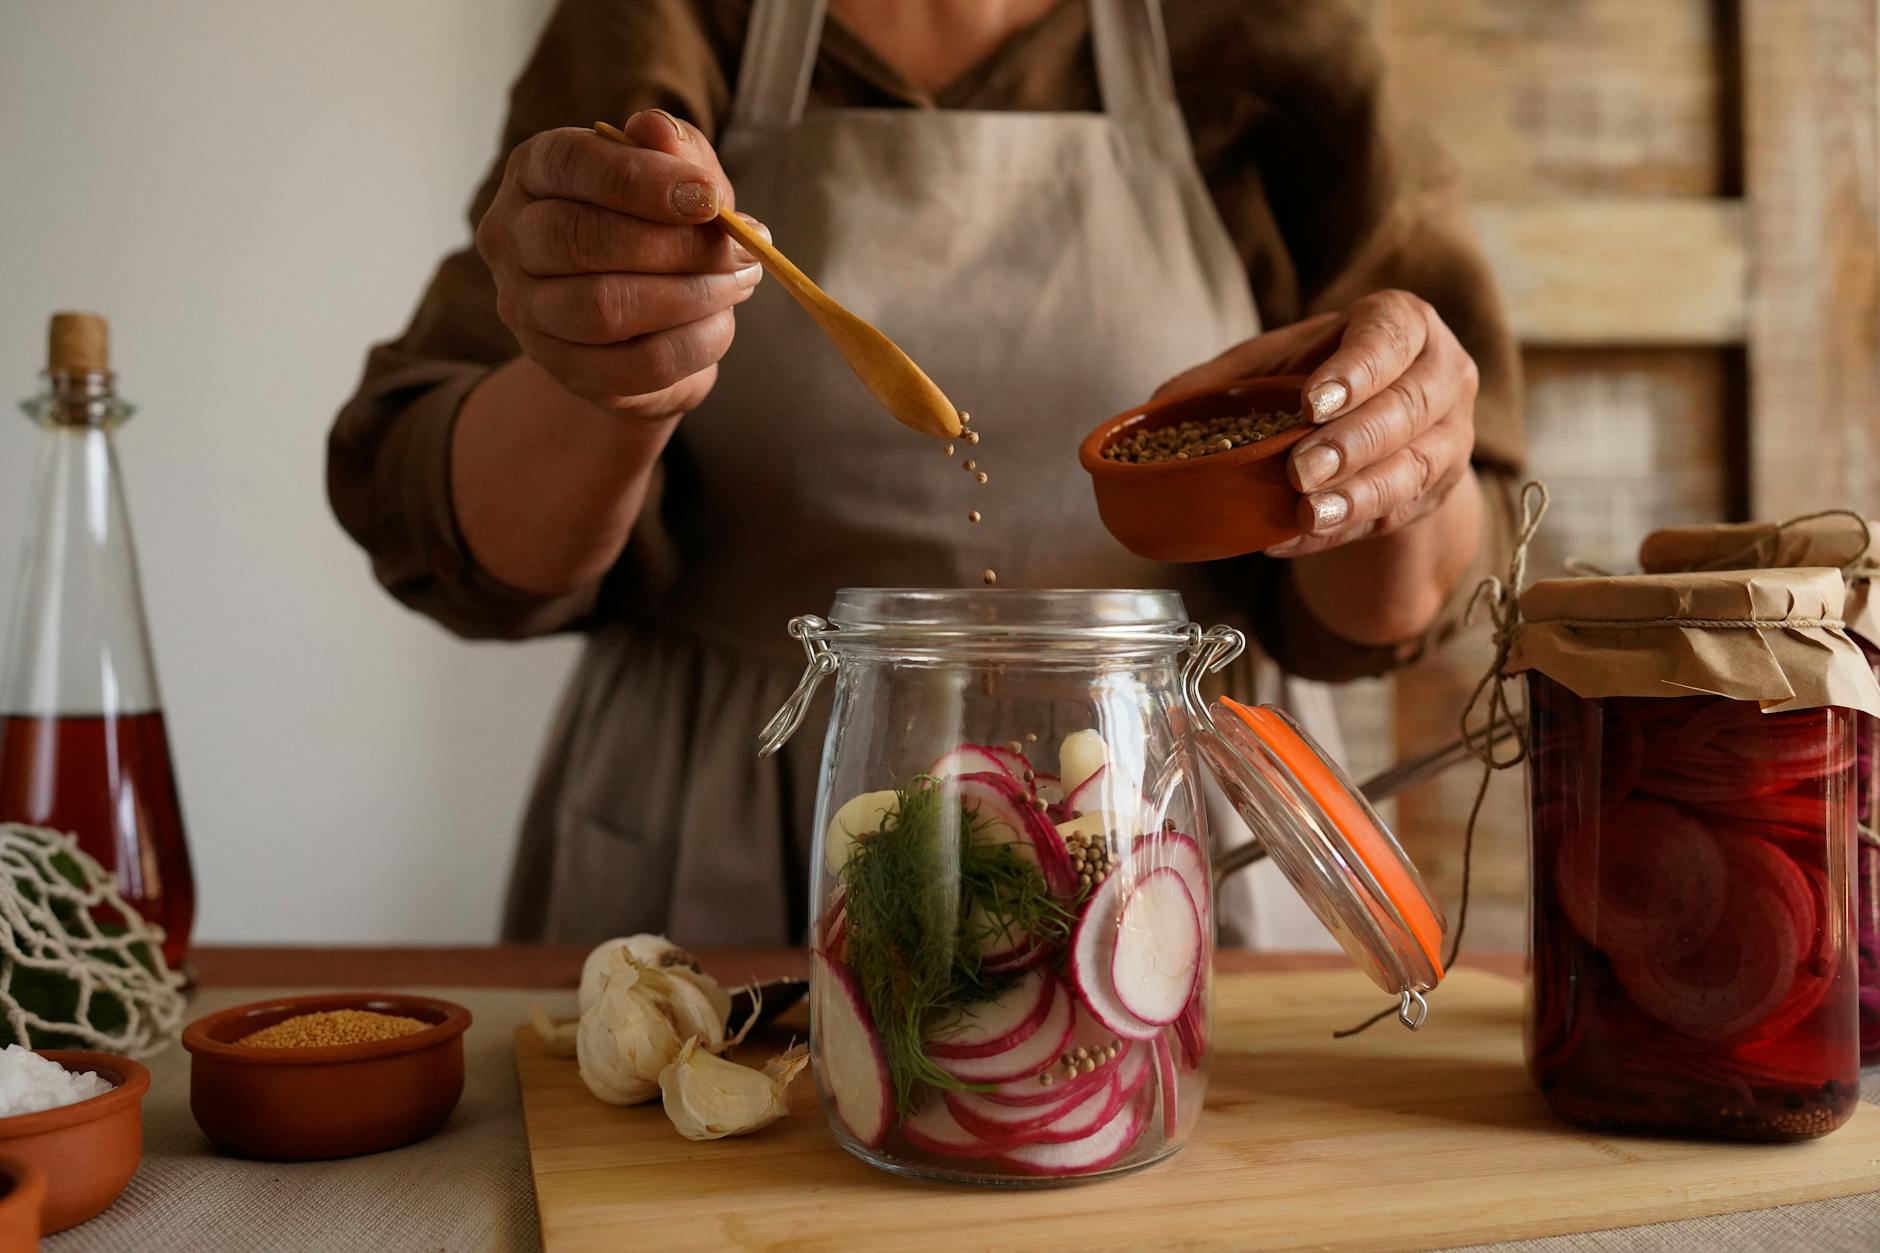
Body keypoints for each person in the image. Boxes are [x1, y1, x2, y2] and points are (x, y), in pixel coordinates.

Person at [328, 0, 1523, 947]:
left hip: (1159, 833)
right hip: (738, 838)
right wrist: (602, 377)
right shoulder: (668, 23)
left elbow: (1387, 605)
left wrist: (1388, 464)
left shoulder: (1264, 31)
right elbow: (471, 540)